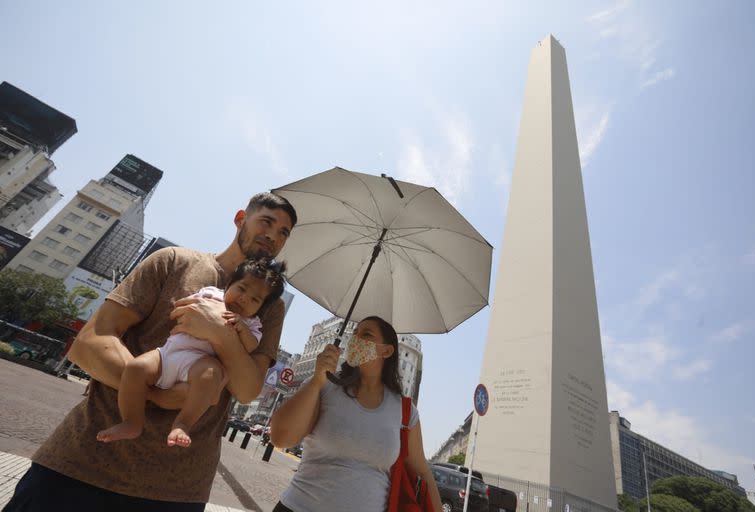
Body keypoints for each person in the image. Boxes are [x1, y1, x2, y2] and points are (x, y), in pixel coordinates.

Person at [3, 192, 297, 512]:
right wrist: (156, 393)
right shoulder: (172, 261)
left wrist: (219, 333)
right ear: (241, 219)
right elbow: (89, 343)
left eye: (284, 232)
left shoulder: (270, 307)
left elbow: (247, 388)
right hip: (82, 460)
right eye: (266, 221)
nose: (273, 235)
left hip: (178, 488)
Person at [96, 257, 286, 448]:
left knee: (210, 376)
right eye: (242, 289)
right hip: (169, 354)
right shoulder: (211, 293)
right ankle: (131, 422)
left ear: (261, 308)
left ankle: (183, 423)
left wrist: (241, 329)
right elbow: (181, 309)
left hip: (200, 363)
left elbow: (251, 346)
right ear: (229, 284)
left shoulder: (251, 323)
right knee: (136, 367)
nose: (244, 298)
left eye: (255, 299)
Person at [269, 316, 442, 512]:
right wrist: (317, 380)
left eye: (365, 334)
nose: (355, 340)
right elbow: (280, 437)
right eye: (354, 334)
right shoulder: (325, 385)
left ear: (386, 351)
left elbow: (423, 473)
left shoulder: (405, 411)